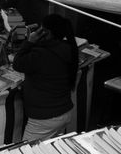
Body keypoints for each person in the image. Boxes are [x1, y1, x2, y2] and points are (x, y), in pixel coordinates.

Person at [12, 14, 79, 142]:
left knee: (26, 152)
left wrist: (30, 42)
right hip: (64, 111)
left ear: (46, 32)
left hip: (44, 118)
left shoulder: (41, 54)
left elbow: (18, 63)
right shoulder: (68, 48)